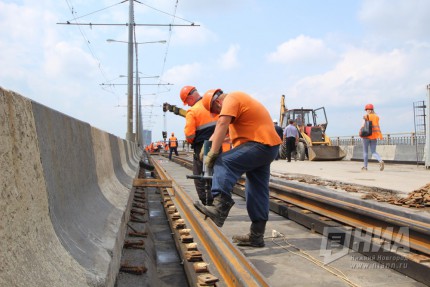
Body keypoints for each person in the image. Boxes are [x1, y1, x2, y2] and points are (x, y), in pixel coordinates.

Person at [195, 89, 282, 248]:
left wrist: (213, 153)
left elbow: (221, 123)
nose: (219, 114)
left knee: (223, 162)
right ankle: (257, 235)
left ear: (217, 102)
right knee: (256, 189)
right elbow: (219, 131)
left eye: (216, 111)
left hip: (259, 145)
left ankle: (220, 206)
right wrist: (207, 147)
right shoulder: (237, 108)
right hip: (267, 147)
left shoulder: (232, 98)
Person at [180, 85, 218, 205]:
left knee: (199, 173)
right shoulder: (212, 104)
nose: (188, 104)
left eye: (187, 102)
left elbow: (189, 134)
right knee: (217, 171)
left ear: (190, 98)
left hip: (202, 146)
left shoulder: (193, 111)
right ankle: (218, 197)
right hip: (219, 143)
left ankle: (206, 200)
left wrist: (191, 141)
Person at [360, 104, 384, 171]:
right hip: (374, 137)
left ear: (367, 110)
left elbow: (362, 126)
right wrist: (380, 135)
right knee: (373, 151)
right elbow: (377, 126)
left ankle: (365, 167)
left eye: (366, 110)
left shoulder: (365, 116)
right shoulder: (376, 117)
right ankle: (380, 160)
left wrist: (360, 133)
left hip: (366, 136)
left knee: (365, 152)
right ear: (372, 109)